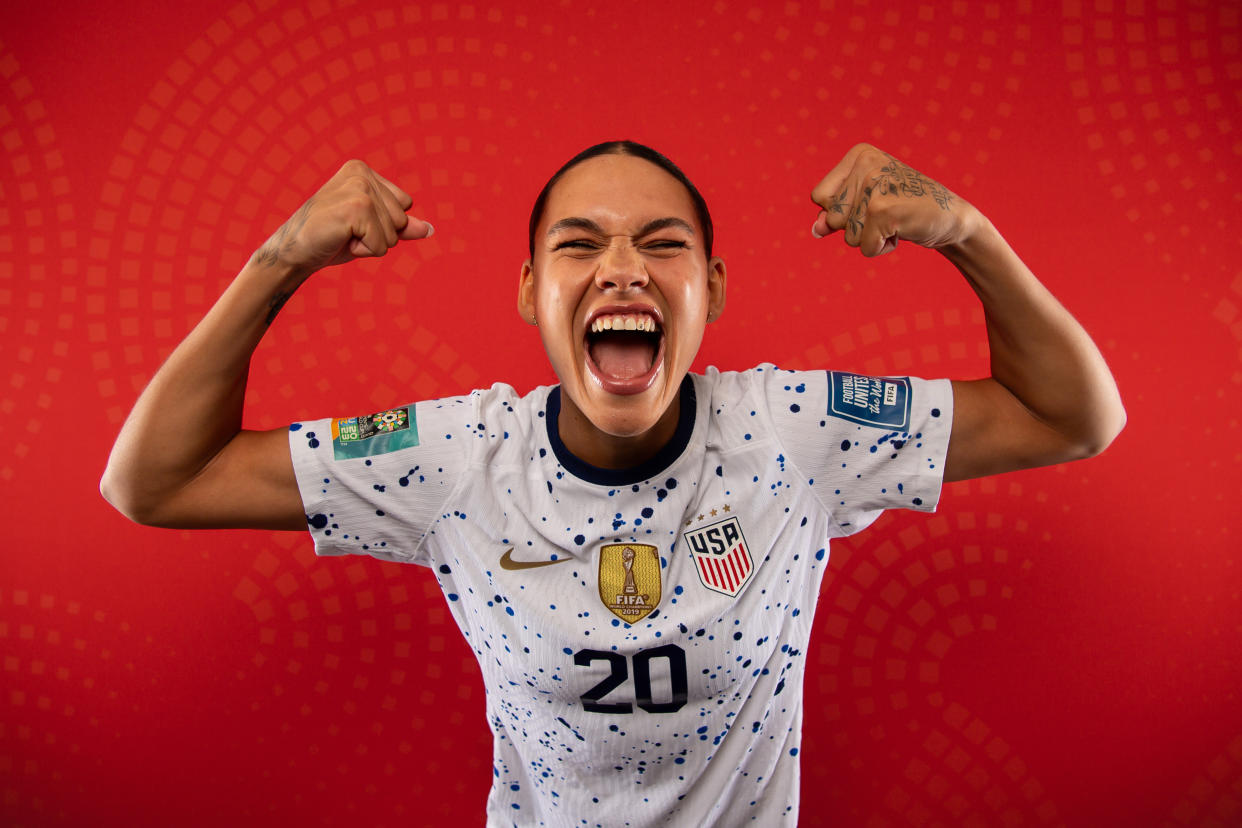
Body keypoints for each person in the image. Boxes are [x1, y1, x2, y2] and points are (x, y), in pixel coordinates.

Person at [100, 141, 1125, 826]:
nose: (623, 270)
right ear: (531, 292)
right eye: (579, 245)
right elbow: (156, 480)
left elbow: (1074, 417)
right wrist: (280, 258)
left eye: (664, 246)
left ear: (712, 291)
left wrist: (966, 234)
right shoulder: (458, 461)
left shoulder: (792, 431)